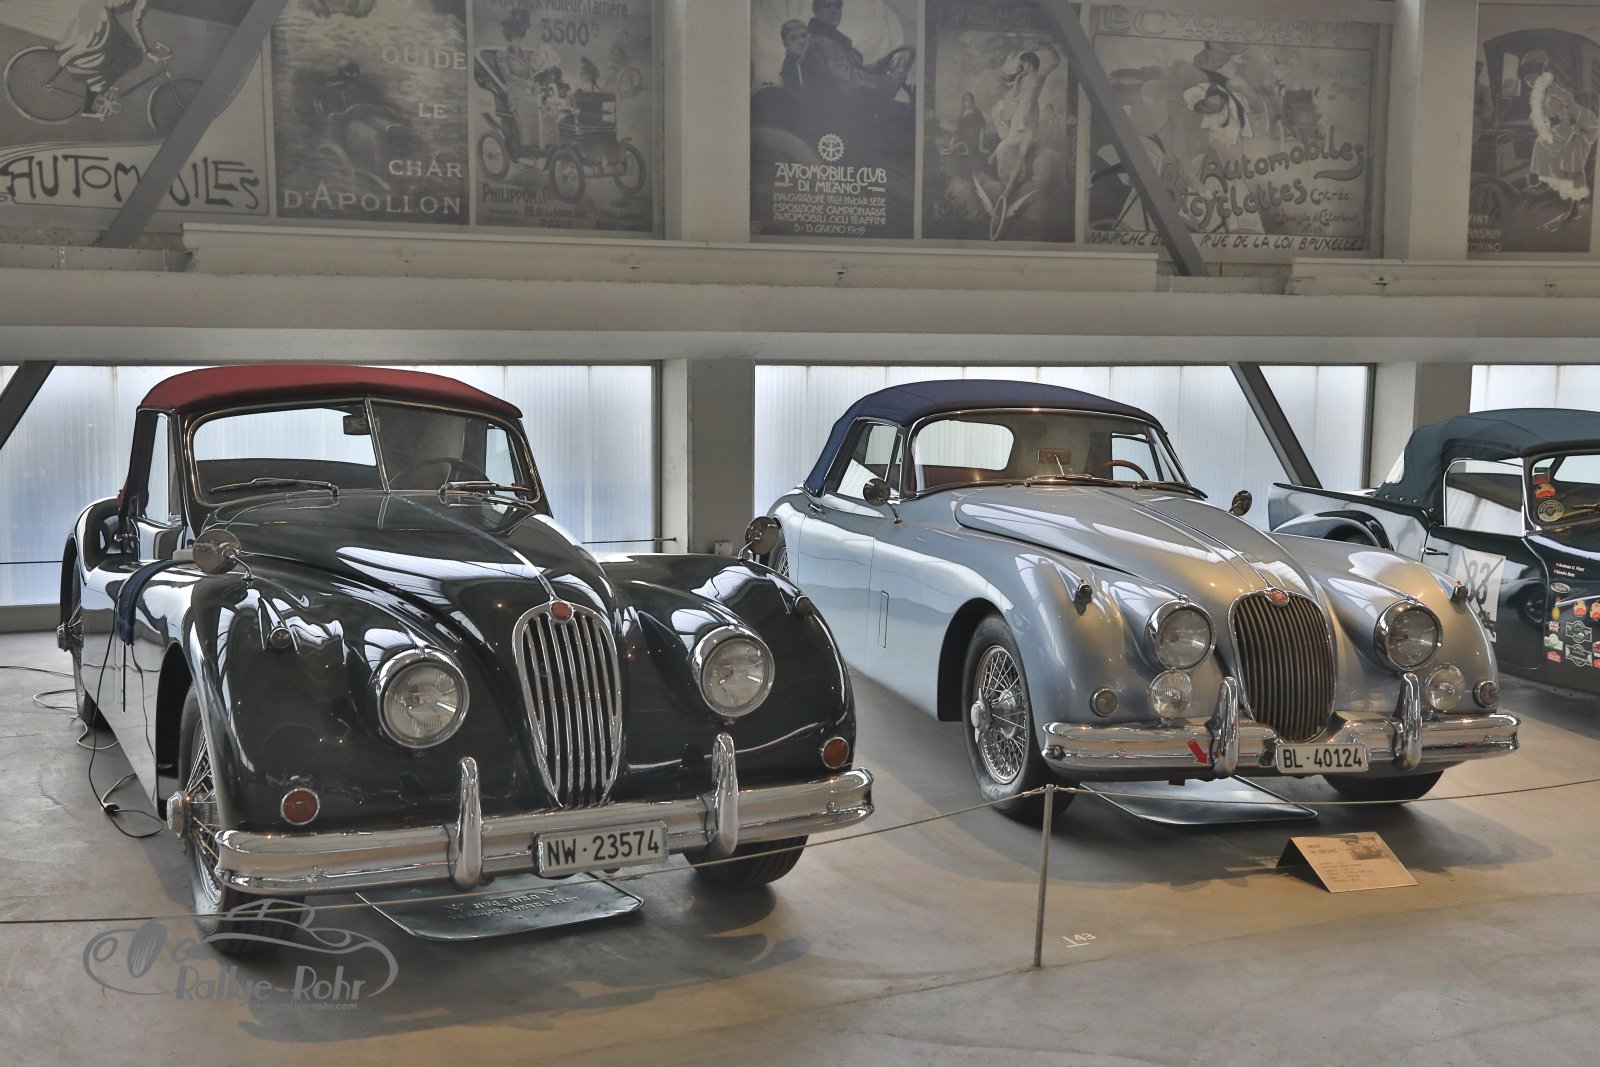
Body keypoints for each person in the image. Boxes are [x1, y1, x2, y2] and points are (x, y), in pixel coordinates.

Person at [1522, 49, 1599, 225]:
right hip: (1558, 127)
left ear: (1540, 74)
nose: (1529, 81)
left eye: (1532, 76)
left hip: (1576, 124)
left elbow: (1569, 104)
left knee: (1572, 161)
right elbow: (1539, 113)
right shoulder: (1538, 93)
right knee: (1541, 144)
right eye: (1527, 79)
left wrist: (1572, 122)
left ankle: (1574, 205)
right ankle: (1543, 182)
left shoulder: (1554, 89)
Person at [798, 0, 911, 111]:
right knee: (904, 114)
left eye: (838, 6)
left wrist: (876, 66)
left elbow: (848, 71)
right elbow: (847, 80)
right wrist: (888, 82)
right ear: (816, 10)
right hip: (840, 113)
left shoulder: (827, 40)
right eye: (827, 5)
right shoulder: (823, 43)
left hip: (842, 108)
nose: (834, 11)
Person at [55, 0, 155, 114]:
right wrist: (146, 50)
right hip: (100, 15)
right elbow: (136, 23)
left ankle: (99, 86)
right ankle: (93, 96)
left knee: (131, 52)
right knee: (110, 57)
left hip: (95, 9)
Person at [989, 41, 1058, 203]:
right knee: (1004, 147)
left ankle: (1009, 189)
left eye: (1023, 63)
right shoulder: (1024, 80)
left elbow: (1056, 61)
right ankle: (1007, 176)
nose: (1022, 66)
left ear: (1030, 63)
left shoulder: (1040, 76)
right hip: (1019, 119)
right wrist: (1018, 80)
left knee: (1021, 155)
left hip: (1029, 120)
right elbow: (1014, 96)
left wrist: (1046, 46)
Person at [779, 20, 810, 93]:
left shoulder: (813, 59)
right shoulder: (790, 67)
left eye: (803, 36)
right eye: (794, 38)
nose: (801, 41)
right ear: (786, 44)